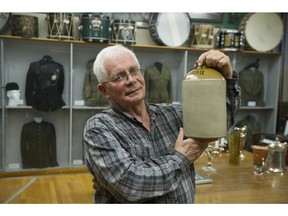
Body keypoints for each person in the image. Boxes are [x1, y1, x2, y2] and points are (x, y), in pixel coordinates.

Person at [83, 44, 241, 203]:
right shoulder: (99, 128)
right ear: (104, 91)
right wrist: (181, 158)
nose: (131, 80)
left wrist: (227, 79)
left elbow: (218, 122)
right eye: (119, 77)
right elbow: (132, 185)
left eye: (134, 71)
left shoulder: (173, 114)